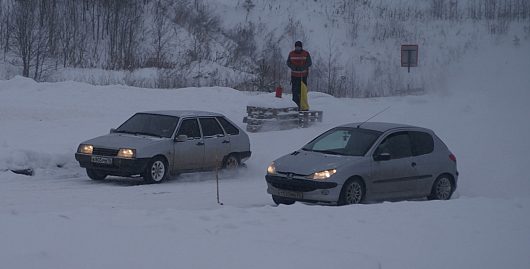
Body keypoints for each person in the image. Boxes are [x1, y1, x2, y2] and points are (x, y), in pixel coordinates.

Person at [286, 41, 312, 110]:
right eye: (296, 47)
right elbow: (288, 62)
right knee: (295, 92)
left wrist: (302, 67)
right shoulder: (291, 54)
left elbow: (309, 63)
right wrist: (293, 67)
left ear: (301, 47)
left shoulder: (306, 53)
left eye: (299, 47)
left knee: (302, 92)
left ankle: (303, 106)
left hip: (303, 77)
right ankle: (295, 107)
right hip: (294, 76)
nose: (297, 48)